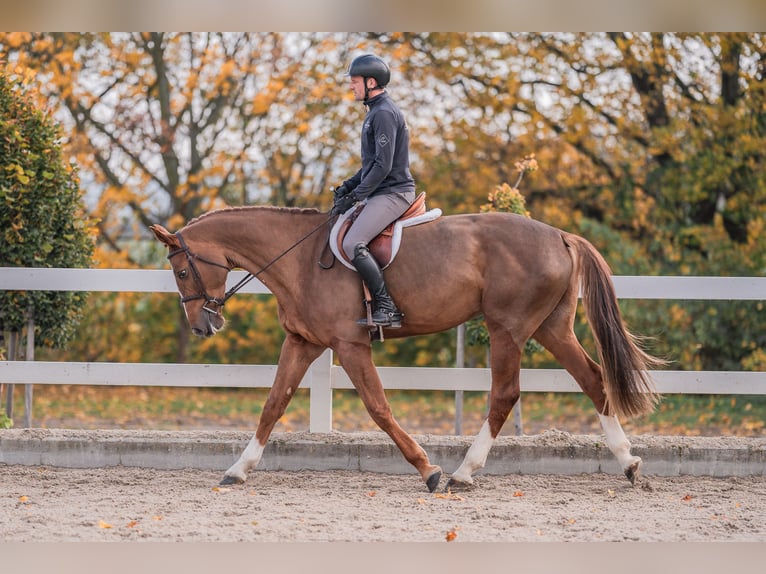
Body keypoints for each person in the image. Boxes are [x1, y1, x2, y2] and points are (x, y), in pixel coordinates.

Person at [332, 54, 416, 329]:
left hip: (394, 193)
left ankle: (386, 307)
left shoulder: (383, 113)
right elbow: (371, 166)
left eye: (354, 82)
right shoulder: (374, 112)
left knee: (351, 243)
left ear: (371, 82)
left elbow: (383, 166)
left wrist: (355, 197)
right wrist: (350, 185)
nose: (351, 87)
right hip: (380, 190)